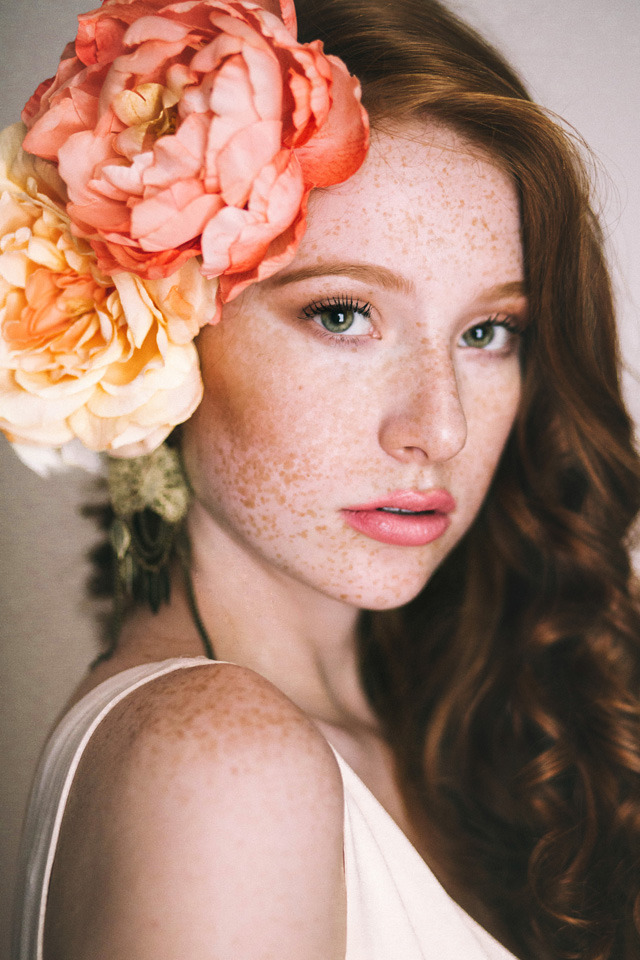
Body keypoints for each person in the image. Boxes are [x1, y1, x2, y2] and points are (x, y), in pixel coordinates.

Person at [2, 0, 639, 958]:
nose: (440, 428)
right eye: (342, 315)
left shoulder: (456, 734)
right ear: (158, 330)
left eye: (487, 331)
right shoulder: (224, 764)